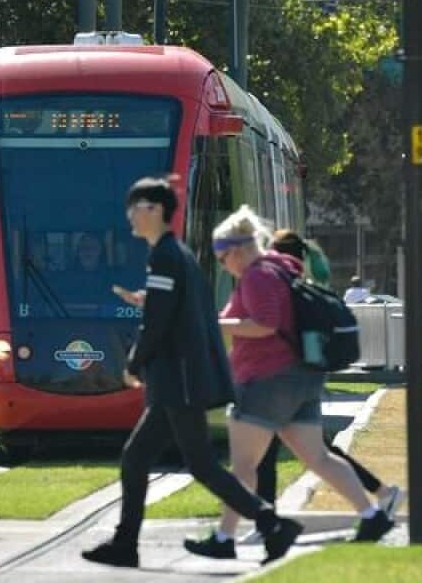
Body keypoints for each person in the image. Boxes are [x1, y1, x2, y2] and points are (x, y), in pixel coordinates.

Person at [81, 178, 302, 570]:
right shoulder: (177, 255)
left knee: (150, 460)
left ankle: (128, 544)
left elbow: (160, 321)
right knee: (177, 461)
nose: (131, 214)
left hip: (177, 381)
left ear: (154, 211)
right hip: (181, 380)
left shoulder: (165, 256)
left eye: (137, 206)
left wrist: (134, 361)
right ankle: (270, 524)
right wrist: (151, 299)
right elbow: (177, 306)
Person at [184, 207, 394, 561]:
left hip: (266, 380)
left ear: (236, 249)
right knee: (319, 457)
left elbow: (264, 324)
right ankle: (371, 516)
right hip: (301, 378)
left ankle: (224, 537)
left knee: (243, 467)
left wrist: (219, 326)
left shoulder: (256, 276)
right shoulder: (281, 270)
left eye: (222, 258)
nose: (223, 266)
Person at [241, 230, 401, 545]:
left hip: (285, 380)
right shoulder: (306, 288)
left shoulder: (285, 289)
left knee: (275, 453)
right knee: (318, 452)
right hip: (302, 378)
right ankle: (382, 495)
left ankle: (266, 523)